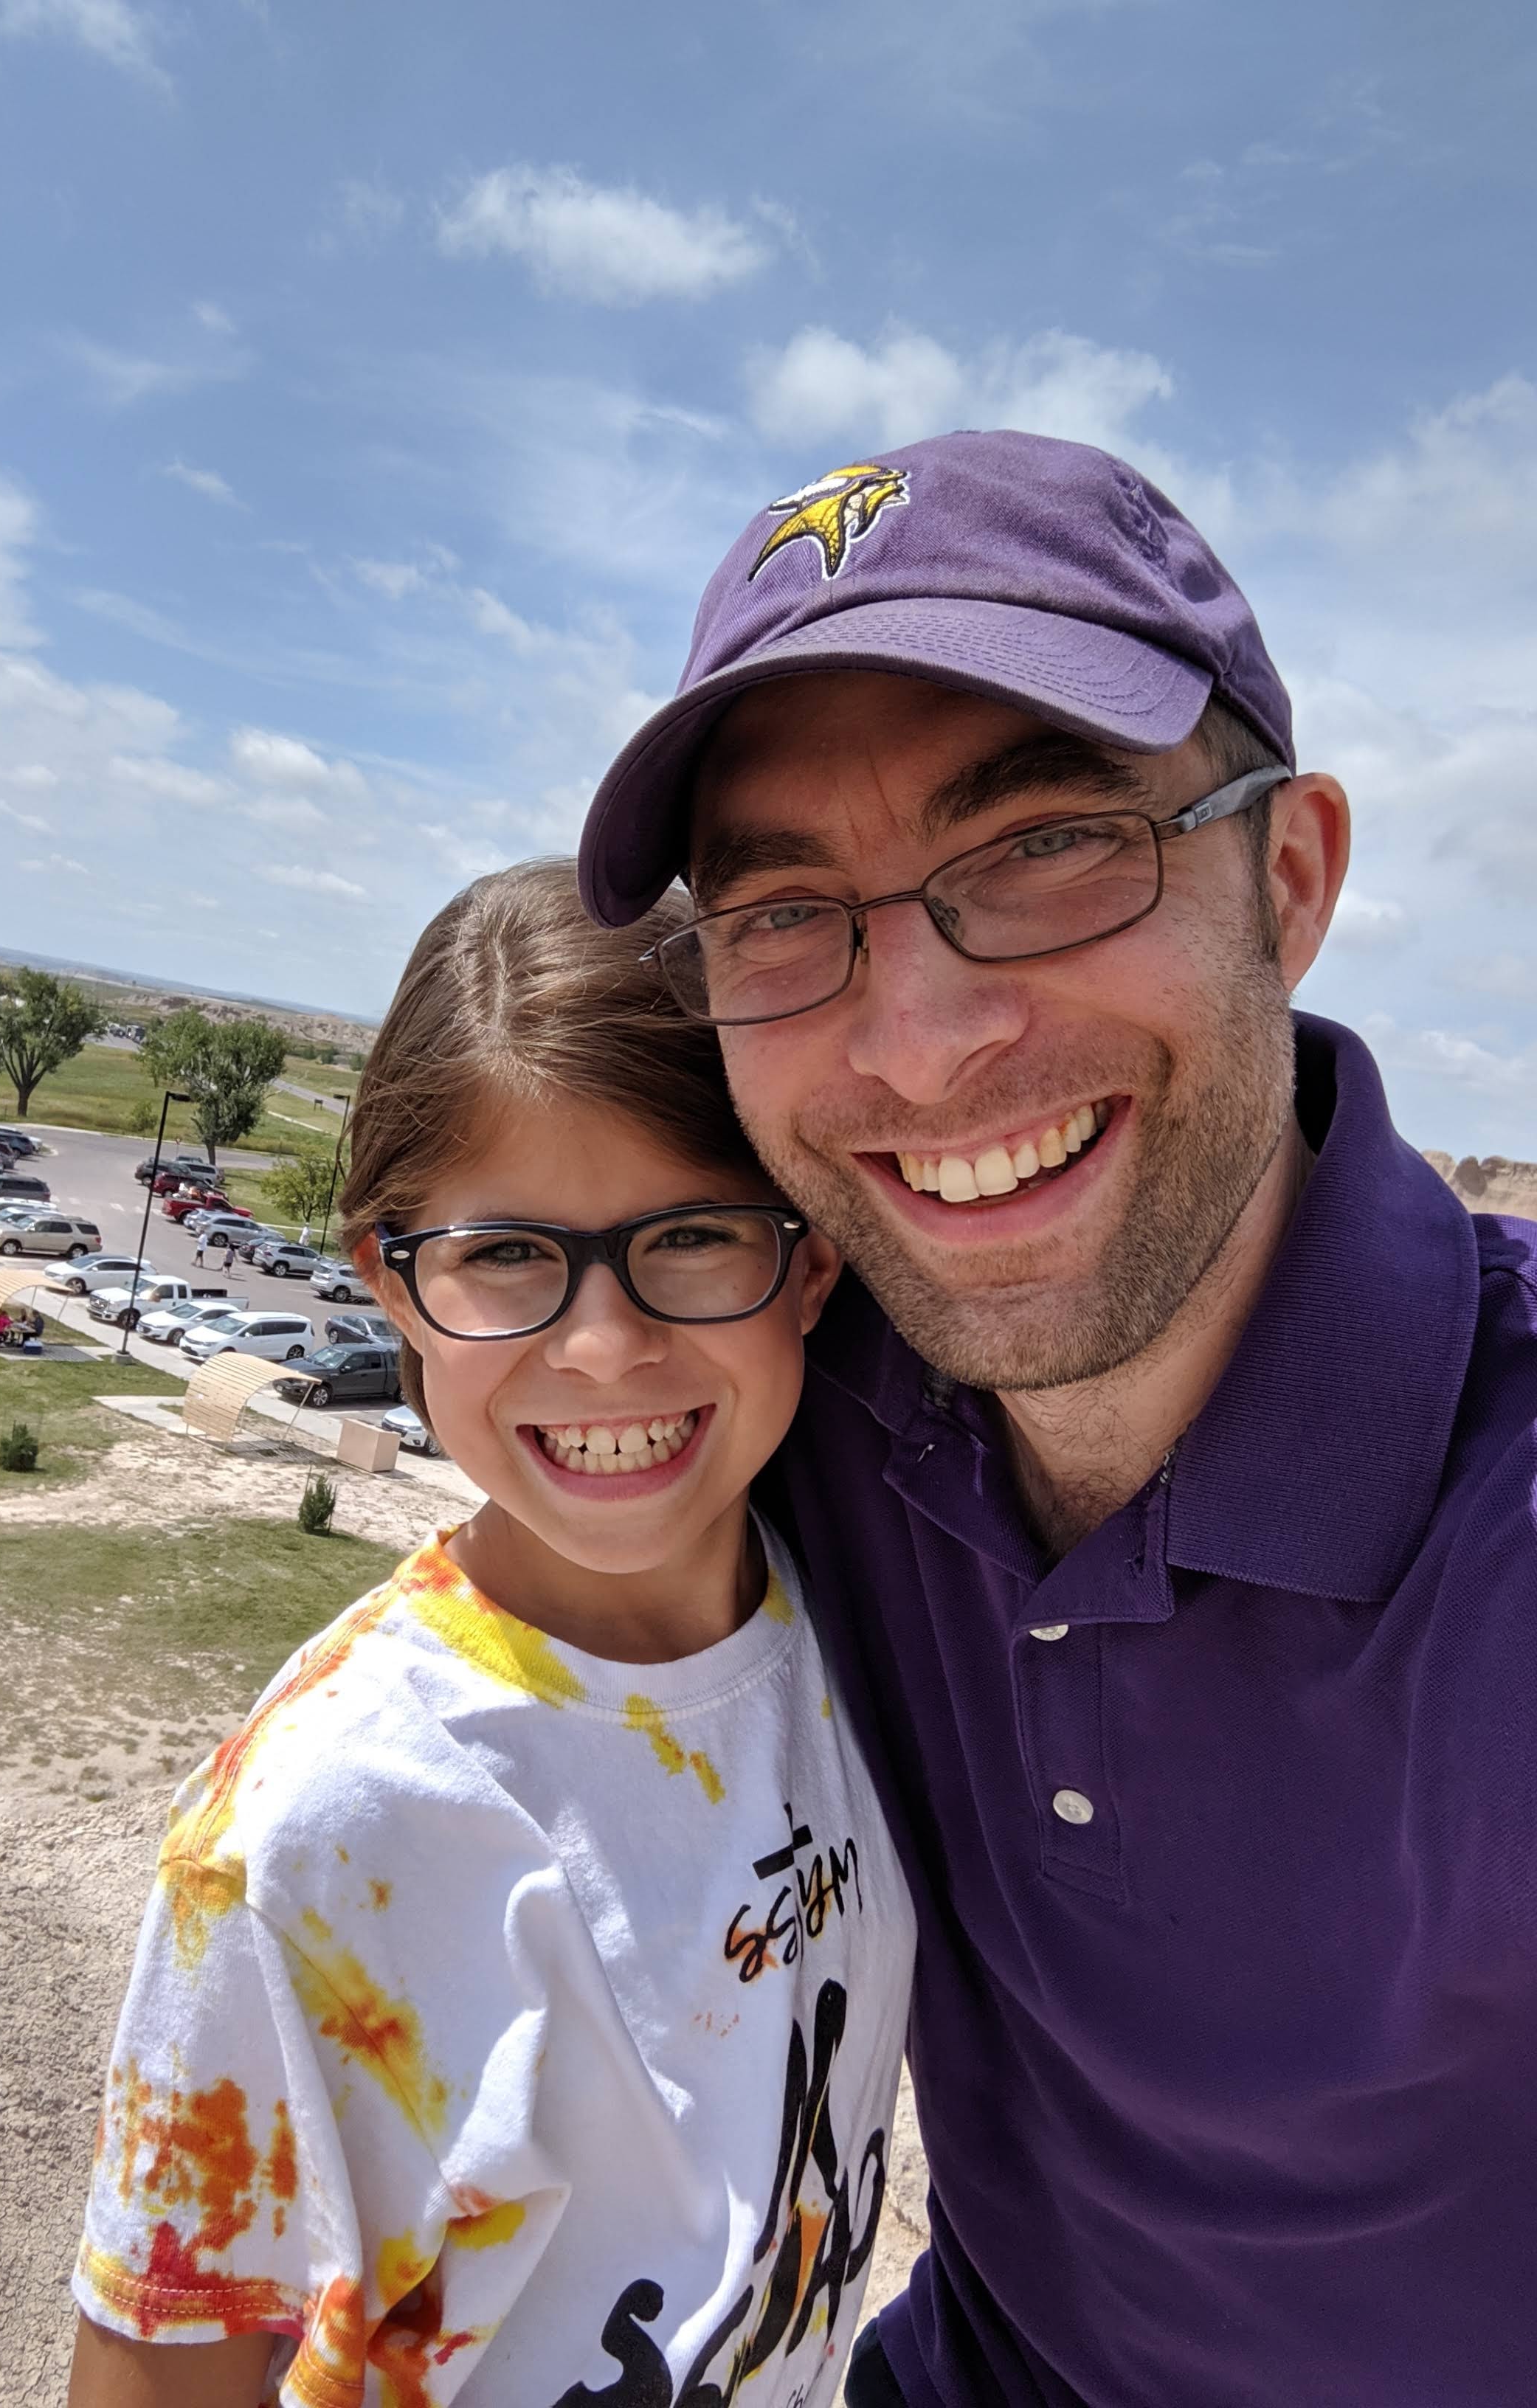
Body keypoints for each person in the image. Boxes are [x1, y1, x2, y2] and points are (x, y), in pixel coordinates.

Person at [578, 427, 1537, 2407]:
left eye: (1047, 845)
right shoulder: (808, 1389)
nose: (926, 1046)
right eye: (784, 914)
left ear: (1288, 880)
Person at [67, 862, 912, 2408]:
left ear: (811, 1257)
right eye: (507, 1254)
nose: (603, 1346)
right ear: (392, 1283)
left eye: (693, 1234)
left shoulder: (864, 1626)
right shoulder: (311, 1840)